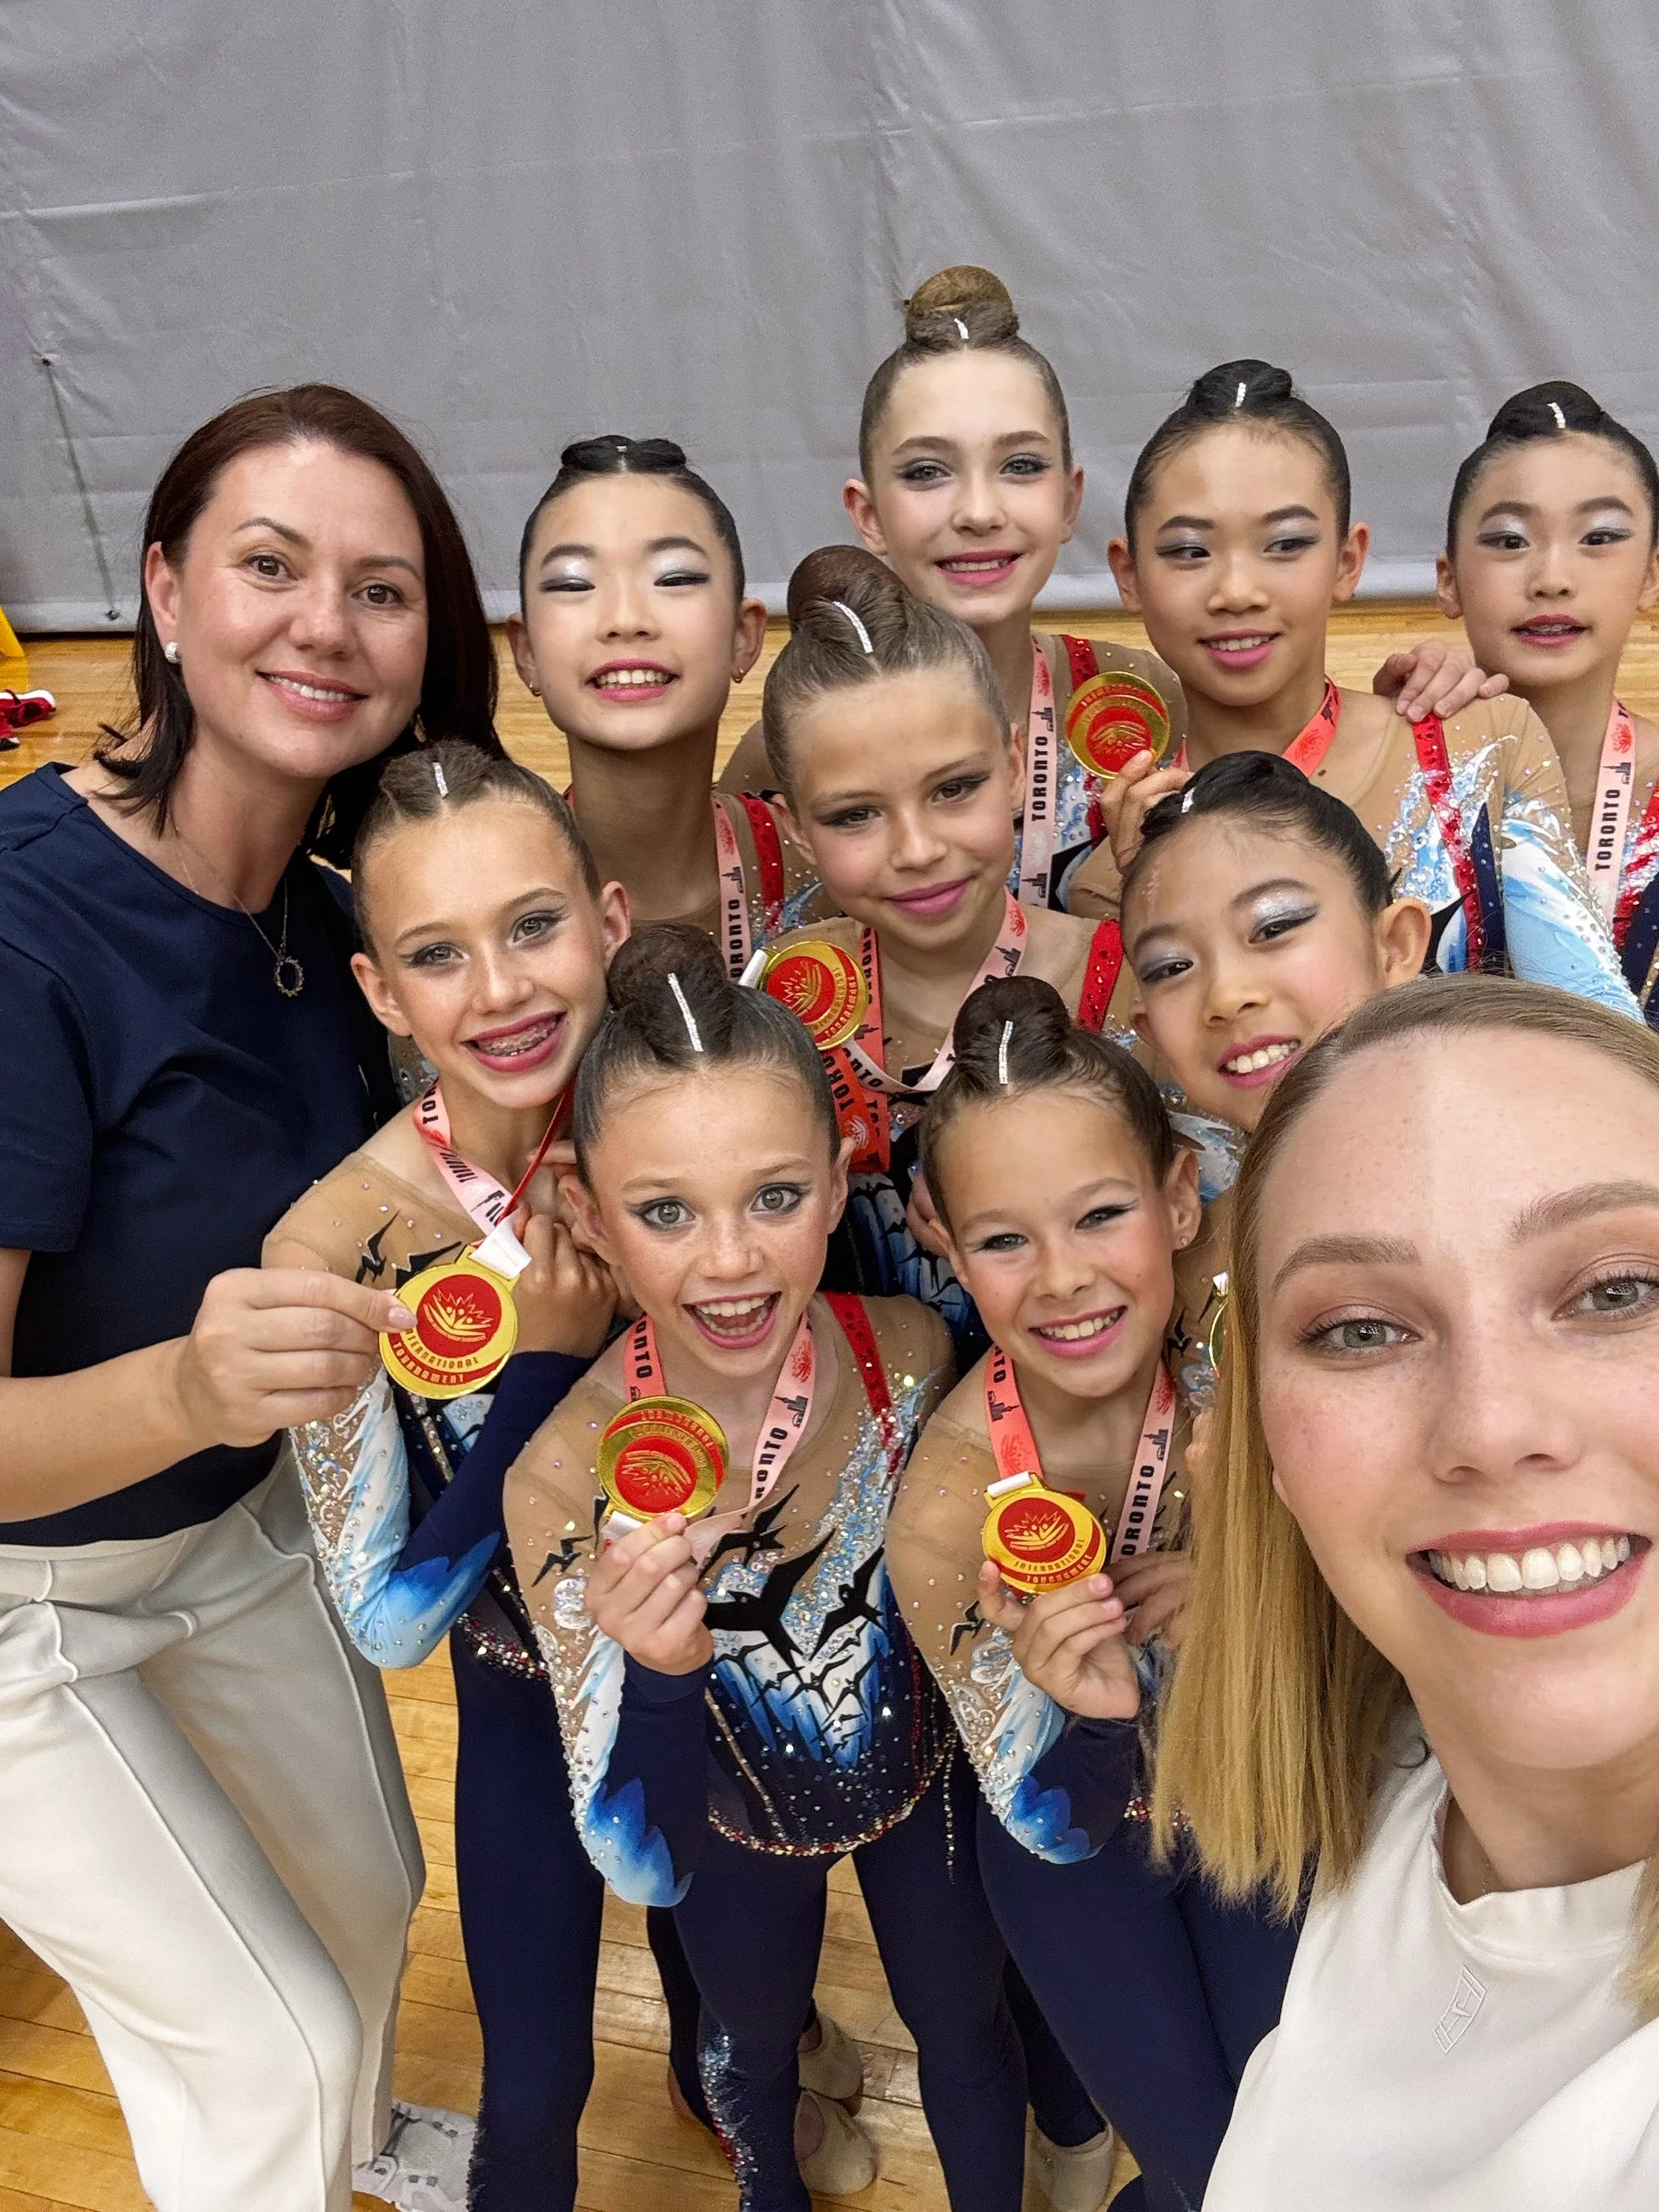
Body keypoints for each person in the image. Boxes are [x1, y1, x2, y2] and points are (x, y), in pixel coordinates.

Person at [0, 385, 500, 2212]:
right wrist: (196, 1387)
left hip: (234, 1539)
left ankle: (347, 2153)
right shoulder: (26, 923)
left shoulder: (348, 905)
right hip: (18, 1605)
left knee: (365, 1896)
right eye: (269, 566)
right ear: (160, 587)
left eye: (380, 588)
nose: (322, 623)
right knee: (260, 2041)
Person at [503, 924, 1035, 2212]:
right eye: (667, 1212)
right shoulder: (558, 1477)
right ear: (584, 1206)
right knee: (748, 2049)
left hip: (925, 1801)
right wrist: (668, 1675)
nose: (731, 1262)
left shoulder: (911, 1354)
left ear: (846, 1169)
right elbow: (635, 1850)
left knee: (967, 2028)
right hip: (730, 1841)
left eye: (776, 1198)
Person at [1157, 975, 1659, 2208]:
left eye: (1619, 1292)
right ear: (1265, 1443)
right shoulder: (1391, 1784)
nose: (1492, 1428)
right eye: (1362, 1331)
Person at [886, 975, 1298, 2211]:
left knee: (1302, 2135)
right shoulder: (948, 1517)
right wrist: (1090, 1713)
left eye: (1102, 1213)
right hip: (1086, 1862)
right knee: (1209, 2173)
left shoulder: (1260, 1392)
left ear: (1178, 1199)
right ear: (945, 1244)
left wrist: (1253, 1593)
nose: (1062, 1278)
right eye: (1005, 1240)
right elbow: (1047, 1816)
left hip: (1258, 1798)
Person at [721, 269, 1492, 915]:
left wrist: (1421, 690)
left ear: (1068, 499)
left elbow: (1313, 750)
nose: (979, 511)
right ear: (867, 513)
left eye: (1020, 466)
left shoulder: (1151, 696)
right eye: (927, 472)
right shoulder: (788, 751)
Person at [1075, 360, 1641, 1017]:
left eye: (1286, 544)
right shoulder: (1114, 865)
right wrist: (1147, 884)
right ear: (1128, 574)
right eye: (1190, 553)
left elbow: (1593, 1020)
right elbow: (1151, 1098)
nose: (1236, 592)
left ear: (1348, 562)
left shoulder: (1480, 744)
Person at [757, 562, 1130, 1351]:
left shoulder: (1131, 983)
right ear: (795, 828)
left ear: (1016, 765)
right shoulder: (781, 1002)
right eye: (856, 814)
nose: (919, 849)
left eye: (955, 788)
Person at [1119, 750, 1431, 1401]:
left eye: (1275, 926)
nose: (1227, 994)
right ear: (1150, 1031)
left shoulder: (1541, 1201)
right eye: (1171, 967)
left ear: (1395, 946)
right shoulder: (1183, 1278)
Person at [509, 434, 828, 975]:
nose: (626, 617)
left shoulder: (832, 864)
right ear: (527, 652)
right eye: (574, 584)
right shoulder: (493, 893)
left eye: (675, 578)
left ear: (743, 637)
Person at [1437, 381, 1659, 1015]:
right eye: (1510, 541)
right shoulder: (1405, 777)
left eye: (1600, 537)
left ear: (1652, 574)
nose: (1553, 580)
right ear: (1448, 581)